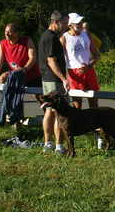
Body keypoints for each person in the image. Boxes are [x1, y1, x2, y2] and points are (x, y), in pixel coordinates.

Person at [38, 10, 69, 154]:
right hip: (54, 79)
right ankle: (58, 146)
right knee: (58, 112)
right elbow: (51, 60)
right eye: (64, 23)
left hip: (46, 78)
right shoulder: (50, 38)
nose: (66, 26)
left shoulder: (45, 36)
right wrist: (63, 79)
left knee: (49, 111)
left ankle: (48, 143)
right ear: (55, 22)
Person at [60, 13, 100, 109]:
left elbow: (97, 55)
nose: (81, 24)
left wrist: (89, 66)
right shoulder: (64, 38)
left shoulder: (87, 34)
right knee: (76, 105)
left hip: (89, 71)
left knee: (94, 101)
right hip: (73, 73)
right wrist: (64, 77)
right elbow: (59, 59)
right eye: (77, 23)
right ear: (70, 25)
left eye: (81, 21)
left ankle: (94, 123)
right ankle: (77, 123)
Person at [0, 23, 42, 101]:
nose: (7, 34)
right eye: (5, 31)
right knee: (3, 78)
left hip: (32, 76)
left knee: (41, 100)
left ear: (17, 33)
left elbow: (32, 58)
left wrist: (24, 70)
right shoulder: (3, 44)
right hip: (16, 75)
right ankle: (8, 104)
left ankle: (49, 111)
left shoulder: (27, 40)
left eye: (10, 32)